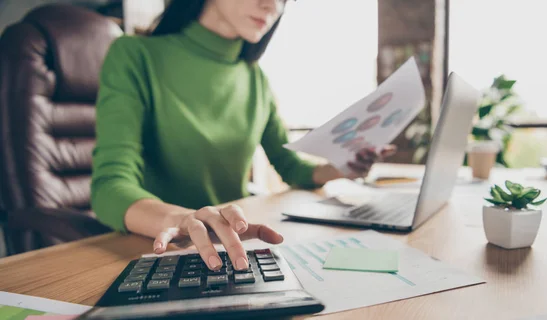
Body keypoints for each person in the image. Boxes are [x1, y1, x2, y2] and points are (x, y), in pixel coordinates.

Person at [92, 0, 395, 272]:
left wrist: (341, 168)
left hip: (234, 249)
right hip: (156, 251)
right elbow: (109, 186)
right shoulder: (135, 54)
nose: (272, 6)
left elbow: (289, 166)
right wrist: (180, 220)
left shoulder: (255, 78)